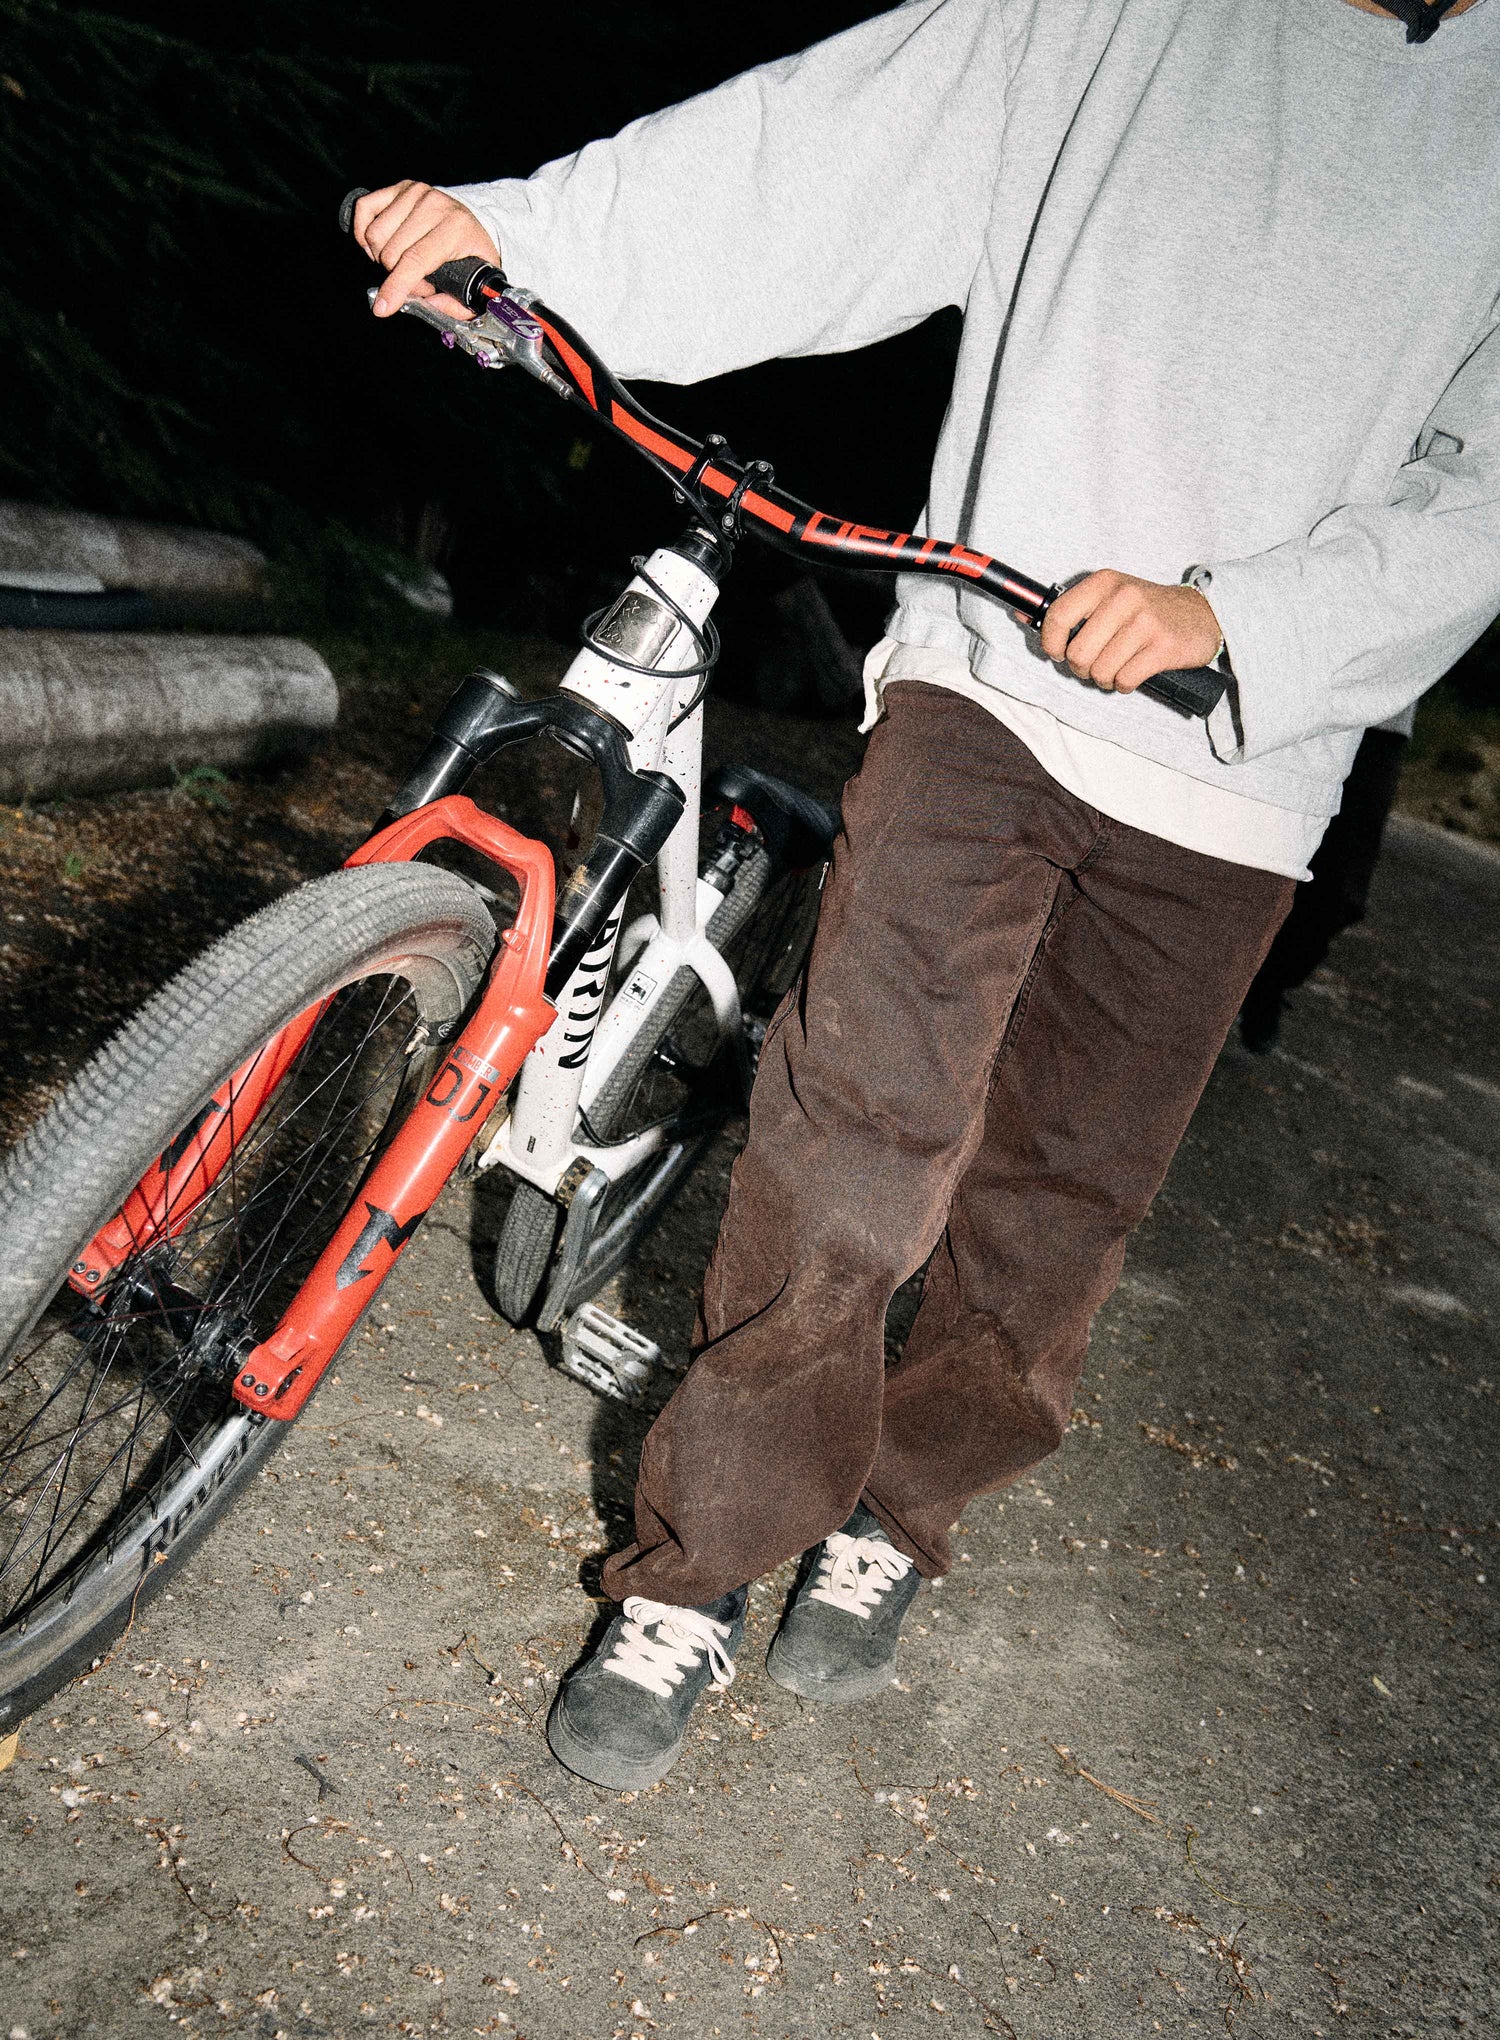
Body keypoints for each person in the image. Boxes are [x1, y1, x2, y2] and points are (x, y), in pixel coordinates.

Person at [355, 0, 1500, 1790]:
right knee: (852, 1132)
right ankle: (706, 1561)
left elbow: (1483, 492)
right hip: (989, 665)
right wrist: (531, 238)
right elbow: (834, 145)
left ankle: (903, 1507)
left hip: (1243, 763)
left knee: (1057, 1195)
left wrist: (1243, 621)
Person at [1239, 707, 1417, 1053]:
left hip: (1382, 720)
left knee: (1341, 894)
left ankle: (1269, 983)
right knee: (1249, 847)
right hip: (1302, 700)